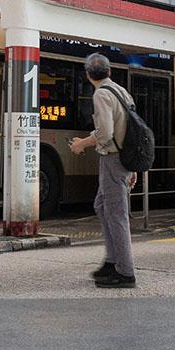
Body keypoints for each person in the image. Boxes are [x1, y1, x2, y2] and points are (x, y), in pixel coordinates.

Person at [67, 53, 137, 289]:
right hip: (123, 158)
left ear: (88, 75)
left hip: (113, 159)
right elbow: (130, 130)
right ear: (109, 72)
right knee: (101, 205)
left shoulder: (102, 95)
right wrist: (133, 166)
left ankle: (125, 271)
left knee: (117, 214)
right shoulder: (121, 91)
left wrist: (81, 144)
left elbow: (105, 133)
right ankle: (112, 260)